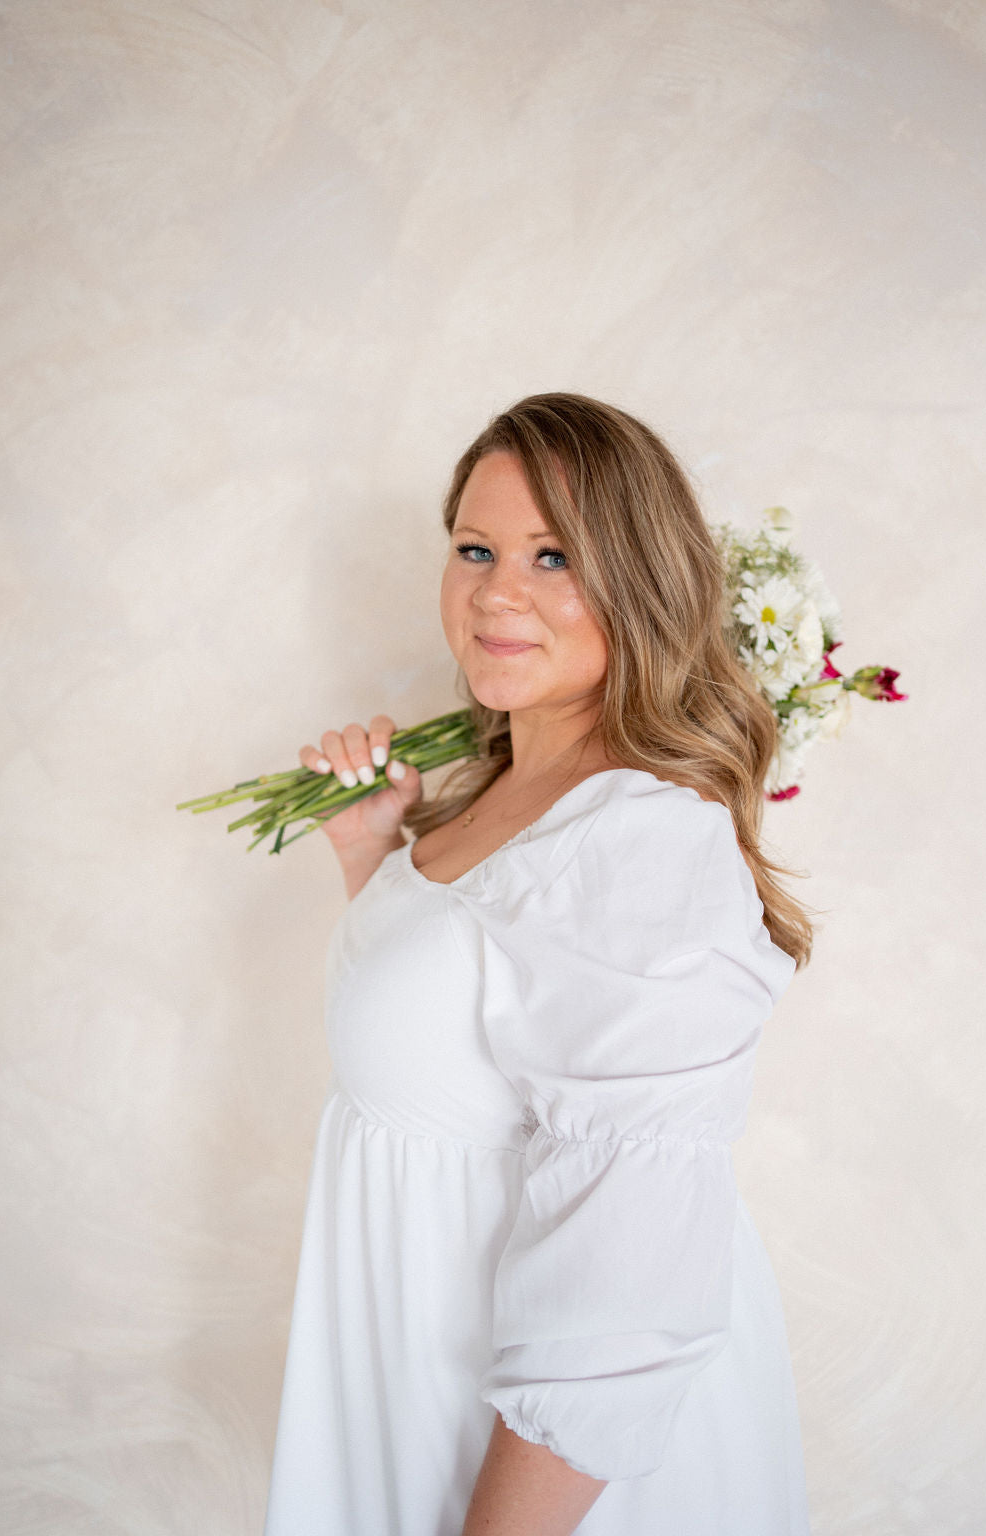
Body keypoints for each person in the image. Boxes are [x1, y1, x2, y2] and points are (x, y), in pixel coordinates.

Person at [263, 393, 814, 1535]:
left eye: (552, 556)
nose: (494, 592)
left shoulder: (639, 836)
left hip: (547, 1457)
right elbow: (453, 1046)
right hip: (425, 1358)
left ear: (641, 580)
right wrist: (372, 848)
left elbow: (629, 1257)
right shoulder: (499, 791)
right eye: (474, 548)